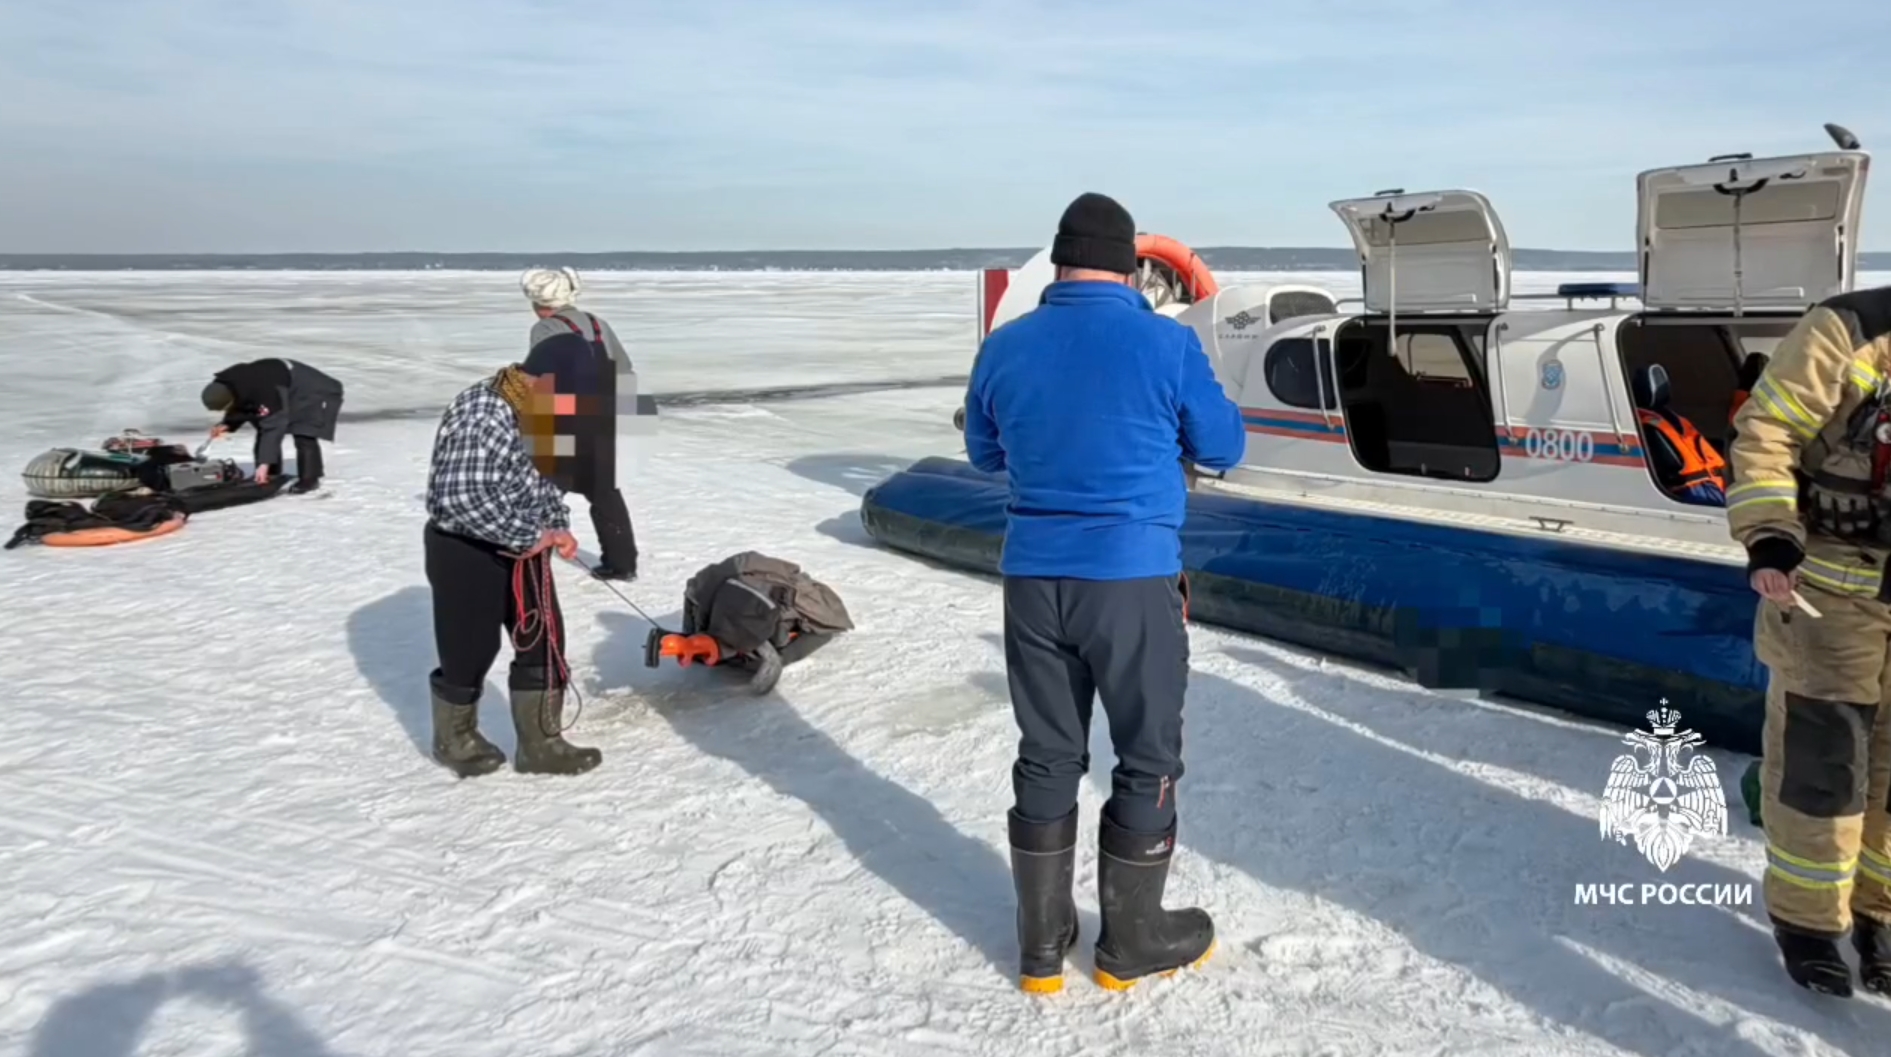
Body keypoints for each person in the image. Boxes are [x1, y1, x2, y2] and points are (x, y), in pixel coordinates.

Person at [961, 191, 1248, 994]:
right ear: (1131, 266)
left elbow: (984, 453)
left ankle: (1041, 947)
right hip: (1130, 581)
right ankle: (1131, 939)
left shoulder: (1005, 346)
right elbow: (1226, 444)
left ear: (1059, 261)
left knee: (1048, 751)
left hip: (1032, 580)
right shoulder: (1165, 344)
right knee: (1147, 754)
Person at [1726, 285, 1891, 998]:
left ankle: (1878, 916)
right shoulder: (1847, 329)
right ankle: (1807, 923)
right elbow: (1765, 432)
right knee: (1823, 762)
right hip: (1831, 592)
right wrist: (1769, 536)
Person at [423, 337, 605, 779]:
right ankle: (455, 740)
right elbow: (462, 497)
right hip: (465, 549)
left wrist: (556, 525)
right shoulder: (482, 412)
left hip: (526, 549)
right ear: (545, 378)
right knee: (469, 650)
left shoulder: (543, 409)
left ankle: (542, 745)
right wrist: (530, 533)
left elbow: (545, 479)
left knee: (544, 642)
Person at [522, 267, 640, 581]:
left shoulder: (546, 329)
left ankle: (526, 557)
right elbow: (624, 368)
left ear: (538, 303)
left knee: (543, 488)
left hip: (565, 420)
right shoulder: (598, 324)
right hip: (601, 417)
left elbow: (540, 379)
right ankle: (622, 563)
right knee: (605, 492)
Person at [202, 358, 344, 493]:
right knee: (263, 426)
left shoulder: (264, 392)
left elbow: (273, 427)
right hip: (280, 381)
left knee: (304, 431)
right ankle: (271, 472)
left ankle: (309, 479)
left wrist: (264, 464)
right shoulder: (231, 383)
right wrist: (228, 424)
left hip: (310, 389)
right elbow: (241, 405)